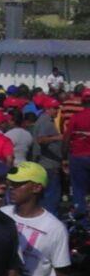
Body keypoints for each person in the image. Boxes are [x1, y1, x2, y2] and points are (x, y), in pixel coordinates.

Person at [31, 97, 63, 215]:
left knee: (46, 197)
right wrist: (58, 137)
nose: (57, 111)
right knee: (52, 197)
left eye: (57, 108)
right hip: (49, 165)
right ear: (48, 109)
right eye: (54, 108)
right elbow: (41, 139)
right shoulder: (46, 121)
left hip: (46, 164)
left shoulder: (45, 119)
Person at [64, 88, 90, 216]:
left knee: (79, 191)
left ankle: (82, 224)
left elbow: (66, 139)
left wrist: (63, 158)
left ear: (82, 102)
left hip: (78, 158)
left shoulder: (76, 117)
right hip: (81, 157)